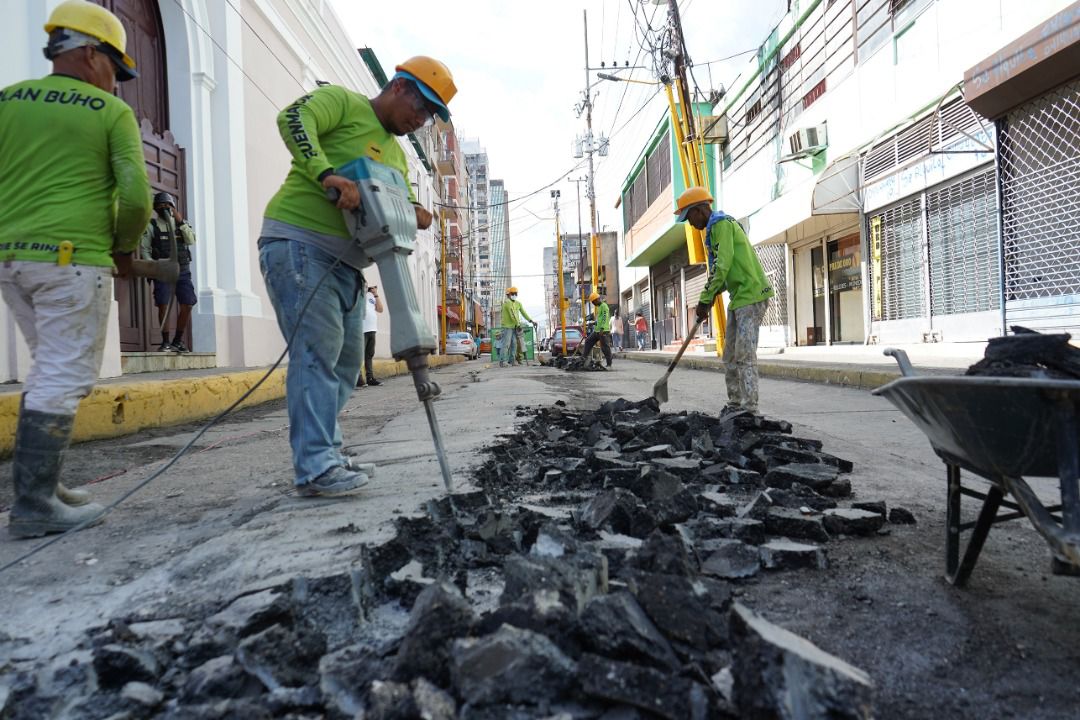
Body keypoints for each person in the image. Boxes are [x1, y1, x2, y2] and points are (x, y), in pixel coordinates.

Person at [258, 56, 456, 497]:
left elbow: (405, 202)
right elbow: (293, 117)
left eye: (429, 116)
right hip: (299, 246)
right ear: (399, 86)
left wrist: (418, 213)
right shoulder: (343, 103)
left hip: (349, 266)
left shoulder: (395, 154)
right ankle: (315, 467)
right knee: (317, 355)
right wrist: (326, 173)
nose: (420, 119)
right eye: (420, 107)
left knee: (347, 362)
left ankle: (325, 452)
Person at [0, 1, 151, 537]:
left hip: (11, 259)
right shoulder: (109, 113)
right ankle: (35, 505)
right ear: (90, 54)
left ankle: (45, 485)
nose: (118, 81)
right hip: (73, 259)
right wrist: (124, 247)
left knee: (48, 369)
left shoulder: (8, 101)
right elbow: (135, 197)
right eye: (116, 67)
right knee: (64, 376)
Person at [675, 186, 774, 414]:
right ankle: (735, 404)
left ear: (700, 210)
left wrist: (704, 299)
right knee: (730, 355)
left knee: (744, 355)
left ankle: (750, 410)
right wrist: (710, 297)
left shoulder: (720, 224)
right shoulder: (715, 228)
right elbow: (723, 272)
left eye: (689, 217)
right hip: (739, 298)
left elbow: (722, 266)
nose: (690, 224)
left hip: (752, 296)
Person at [141, 192, 197, 352]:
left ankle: (178, 340)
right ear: (156, 209)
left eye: (168, 206)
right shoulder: (151, 226)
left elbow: (191, 240)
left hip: (183, 270)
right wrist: (153, 267)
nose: (164, 209)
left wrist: (179, 220)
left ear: (172, 207)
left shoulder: (181, 224)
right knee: (163, 304)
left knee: (188, 303)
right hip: (163, 271)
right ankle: (165, 341)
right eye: (161, 207)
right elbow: (145, 249)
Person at [498, 286, 536, 367]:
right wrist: (518, 325)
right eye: (513, 293)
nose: (514, 295)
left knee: (514, 344)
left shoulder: (518, 303)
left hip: (514, 327)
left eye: (515, 293)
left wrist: (531, 320)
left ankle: (512, 361)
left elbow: (523, 312)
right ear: (509, 294)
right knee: (506, 344)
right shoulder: (507, 303)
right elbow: (513, 315)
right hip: (507, 327)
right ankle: (503, 361)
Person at [357, 282, 383, 387]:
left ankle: (370, 378)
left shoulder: (371, 296)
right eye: (364, 285)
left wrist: (376, 294)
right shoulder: (357, 295)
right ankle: (358, 379)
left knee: (369, 355)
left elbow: (380, 309)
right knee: (359, 355)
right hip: (361, 330)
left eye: (367, 286)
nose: (366, 287)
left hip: (372, 329)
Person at [577, 291, 613, 368]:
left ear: (596, 299)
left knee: (605, 348)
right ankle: (584, 357)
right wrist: (593, 323)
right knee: (588, 341)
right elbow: (600, 319)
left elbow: (604, 318)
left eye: (593, 302)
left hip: (603, 331)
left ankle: (609, 364)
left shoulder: (604, 306)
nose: (593, 303)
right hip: (597, 331)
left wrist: (602, 328)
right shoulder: (599, 307)